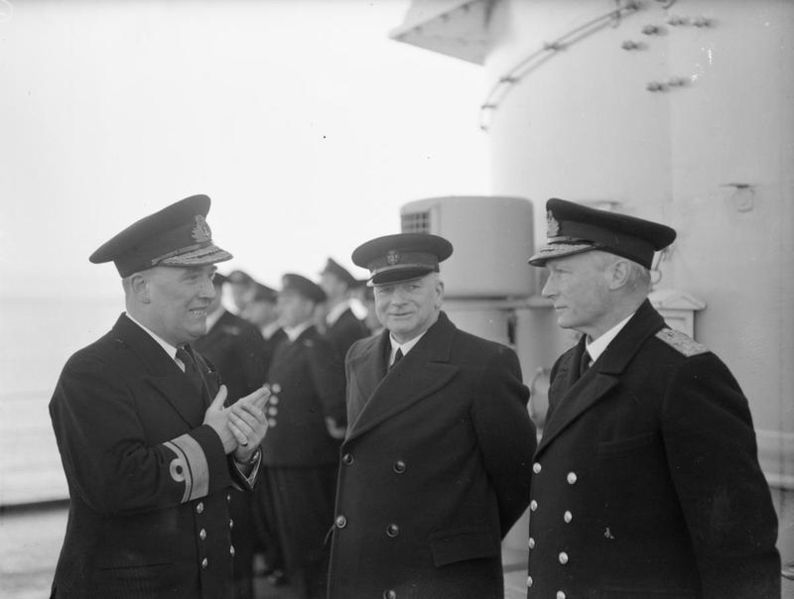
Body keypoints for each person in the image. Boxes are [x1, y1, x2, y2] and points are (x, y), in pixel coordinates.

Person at [526, 198, 780, 598]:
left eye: (561, 273)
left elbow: (736, 544)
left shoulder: (685, 373)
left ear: (618, 273)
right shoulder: (566, 368)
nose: (547, 289)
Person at [48, 195, 272, 599]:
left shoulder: (199, 364)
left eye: (211, 276)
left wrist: (241, 454)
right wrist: (215, 440)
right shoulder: (91, 372)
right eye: (192, 277)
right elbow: (114, 485)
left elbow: (205, 477)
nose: (209, 292)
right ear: (141, 287)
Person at [327, 233, 536, 599]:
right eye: (385, 290)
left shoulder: (484, 363)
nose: (397, 301)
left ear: (438, 291)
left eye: (411, 287)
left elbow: (515, 477)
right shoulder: (358, 357)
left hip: (442, 573)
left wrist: (461, 541)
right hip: (368, 563)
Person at [261, 274, 347, 599]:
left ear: (310, 305)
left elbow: (335, 402)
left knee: (310, 542)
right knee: (293, 542)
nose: (280, 305)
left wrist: (334, 428)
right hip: (283, 457)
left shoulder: (316, 344)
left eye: (289, 299)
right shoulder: (289, 344)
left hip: (307, 461)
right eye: (280, 299)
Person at [193, 272, 271, 599]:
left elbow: (257, 389)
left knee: (236, 534)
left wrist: (244, 443)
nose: (204, 295)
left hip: (236, 447)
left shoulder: (242, 330)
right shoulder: (190, 333)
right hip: (202, 444)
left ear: (220, 291)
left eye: (211, 287)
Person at [319, 258, 370, 358]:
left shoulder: (349, 326)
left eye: (327, 281)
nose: (321, 286)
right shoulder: (335, 321)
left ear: (342, 286)